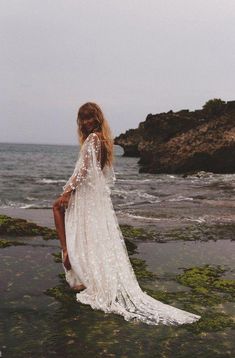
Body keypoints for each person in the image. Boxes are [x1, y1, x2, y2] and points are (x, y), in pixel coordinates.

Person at [52, 102, 201, 326]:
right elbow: (98, 173)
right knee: (88, 231)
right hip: (93, 194)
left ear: (97, 118)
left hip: (85, 192)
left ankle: (67, 255)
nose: (85, 122)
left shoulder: (93, 139)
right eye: (82, 118)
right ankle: (79, 272)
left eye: (89, 117)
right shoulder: (102, 139)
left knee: (57, 208)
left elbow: (84, 170)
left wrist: (69, 191)